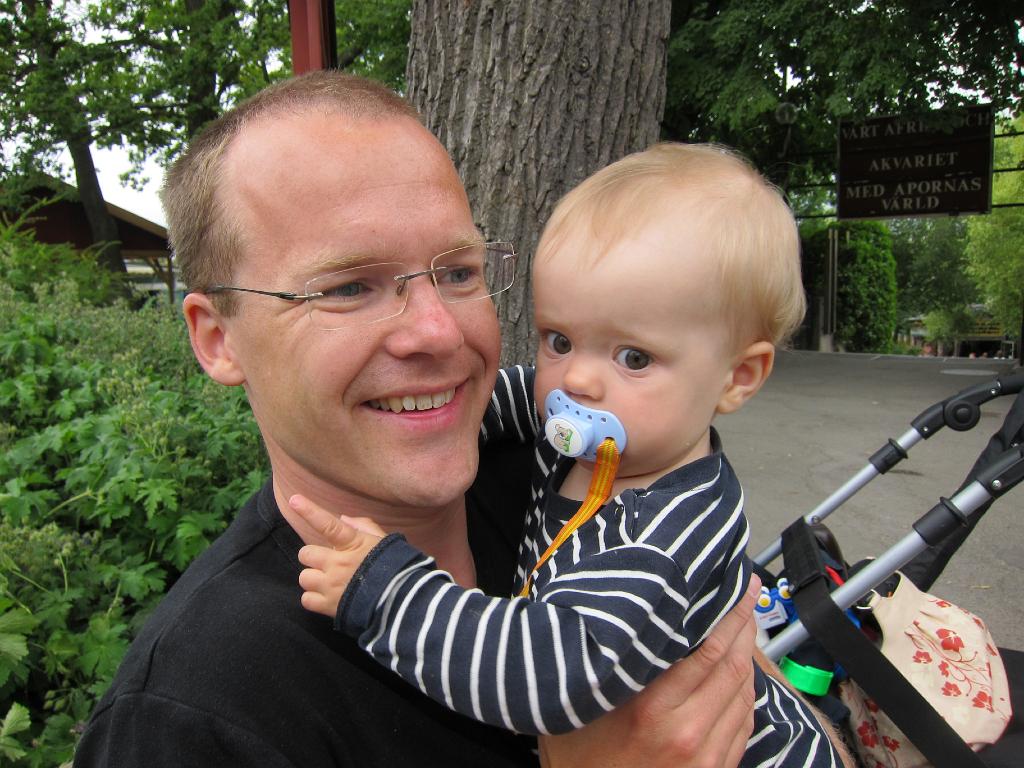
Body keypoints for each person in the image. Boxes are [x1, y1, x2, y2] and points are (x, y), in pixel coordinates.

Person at [73, 71, 766, 767]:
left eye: (458, 272)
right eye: (349, 286)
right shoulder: (188, 721)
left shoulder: (568, 475)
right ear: (218, 338)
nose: (438, 330)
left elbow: (772, 704)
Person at [290, 144, 845, 765]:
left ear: (737, 377)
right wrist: (429, 422)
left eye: (633, 357)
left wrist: (389, 593)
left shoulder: (664, 539)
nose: (575, 380)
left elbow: (551, 676)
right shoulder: (603, 433)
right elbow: (506, 398)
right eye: (559, 340)